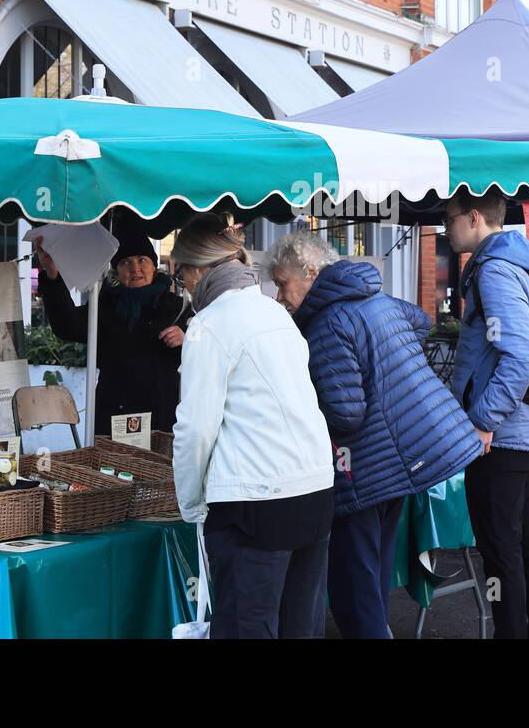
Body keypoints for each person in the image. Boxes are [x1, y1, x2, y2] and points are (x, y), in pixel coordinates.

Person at [268, 230, 482, 639]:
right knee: (373, 579)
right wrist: (388, 370)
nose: (279, 296)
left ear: (310, 272)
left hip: (364, 469)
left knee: (354, 590)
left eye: (282, 284)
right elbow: (418, 321)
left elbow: (345, 413)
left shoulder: (327, 322)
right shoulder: (373, 299)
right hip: (392, 464)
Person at [170, 213, 335, 639]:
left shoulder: (208, 324)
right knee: (300, 627)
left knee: (248, 626)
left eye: (180, 275)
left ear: (198, 270)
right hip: (313, 489)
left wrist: (190, 506)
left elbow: (195, 427)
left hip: (255, 502)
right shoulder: (273, 312)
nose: (182, 286)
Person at [446, 189, 529, 639]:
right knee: (527, 548)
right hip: (521, 434)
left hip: (501, 439)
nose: (445, 227)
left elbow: (524, 357)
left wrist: (483, 420)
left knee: (502, 553)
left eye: (449, 218)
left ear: (474, 217)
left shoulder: (494, 272)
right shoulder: (519, 264)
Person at [34, 229, 190, 434]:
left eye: (142, 260)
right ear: (116, 271)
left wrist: (187, 340)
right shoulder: (105, 307)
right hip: (113, 417)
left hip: (161, 418)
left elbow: (206, 355)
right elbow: (68, 327)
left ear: (154, 266)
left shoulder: (178, 309)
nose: (135, 268)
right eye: (126, 262)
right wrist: (52, 274)